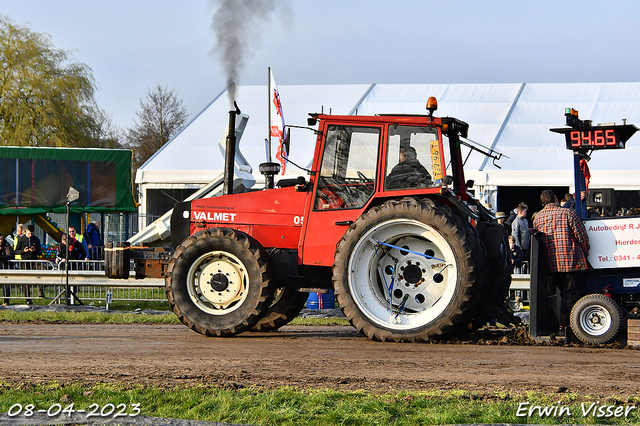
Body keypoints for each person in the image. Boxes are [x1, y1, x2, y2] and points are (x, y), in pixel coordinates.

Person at [533, 189, 590, 333]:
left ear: (543, 202)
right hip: (570, 261)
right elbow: (582, 236)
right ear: (556, 199)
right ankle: (564, 327)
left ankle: (553, 326)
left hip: (550, 263)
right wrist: (586, 252)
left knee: (552, 295)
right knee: (569, 294)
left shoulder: (538, 218)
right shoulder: (568, 213)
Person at [14, 224, 42, 304]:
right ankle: (28, 299)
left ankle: (41, 292)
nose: (30, 235)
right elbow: (16, 251)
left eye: (32, 234)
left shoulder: (36, 239)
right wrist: (24, 251)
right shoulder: (21, 239)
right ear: (26, 231)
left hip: (34, 261)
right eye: (29, 234)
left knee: (42, 273)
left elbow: (40, 252)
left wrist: (35, 250)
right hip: (25, 261)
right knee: (26, 281)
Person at [0, 233, 14, 305]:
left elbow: (9, 255)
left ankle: (6, 301)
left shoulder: (6, 245)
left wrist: (1, 259)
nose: (0, 241)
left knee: (6, 284)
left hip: (5, 267)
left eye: (1, 239)